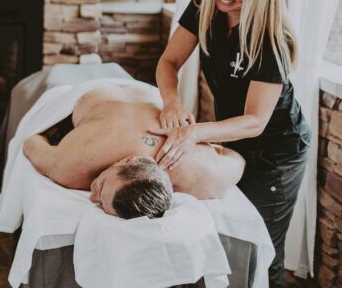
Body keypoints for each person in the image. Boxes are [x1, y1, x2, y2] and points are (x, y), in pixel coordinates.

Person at [155, 0, 309, 288]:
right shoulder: (204, 2)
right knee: (228, 241)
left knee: (262, 254)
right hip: (233, 144)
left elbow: (256, 121)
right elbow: (170, 61)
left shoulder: (272, 37)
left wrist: (196, 134)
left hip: (277, 152)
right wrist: (172, 102)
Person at [23, 83, 246, 219]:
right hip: (94, 90)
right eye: (100, 187)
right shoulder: (71, 166)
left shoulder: (204, 173)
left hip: (148, 92)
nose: (92, 196)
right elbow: (30, 141)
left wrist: (197, 136)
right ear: (128, 160)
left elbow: (238, 159)